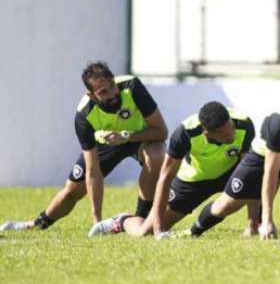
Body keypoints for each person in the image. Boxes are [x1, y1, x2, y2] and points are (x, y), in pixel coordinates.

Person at [0, 62, 167, 234]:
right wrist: (98, 222)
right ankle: (37, 224)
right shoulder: (84, 114)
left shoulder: (132, 87)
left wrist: (125, 135)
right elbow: (93, 171)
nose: (112, 94)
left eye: (112, 86)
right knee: (72, 192)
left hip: (140, 136)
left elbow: (161, 131)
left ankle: (141, 216)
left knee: (157, 155)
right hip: (105, 144)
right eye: (103, 92)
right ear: (92, 96)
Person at [182, 84, 280, 239]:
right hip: (264, 157)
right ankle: (193, 231)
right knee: (226, 205)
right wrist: (267, 221)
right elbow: (271, 172)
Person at [88, 101, 254, 239]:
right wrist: (159, 229)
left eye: (231, 127)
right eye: (225, 135)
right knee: (145, 232)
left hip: (228, 174)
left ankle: (198, 231)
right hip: (192, 181)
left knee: (250, 183)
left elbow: (247, 173)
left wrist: (253, 223)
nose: (232, 134)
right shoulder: (185, 133)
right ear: (207, 134)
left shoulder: (244, 125)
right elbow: (165, 178)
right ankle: (122, 221)